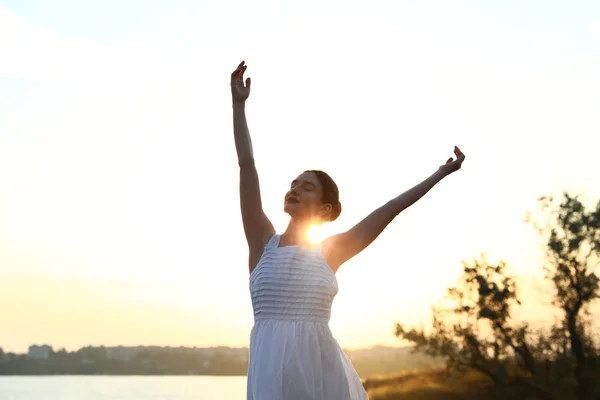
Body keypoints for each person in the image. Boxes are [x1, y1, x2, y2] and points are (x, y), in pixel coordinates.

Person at [231, 61, 466, 400]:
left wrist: (439, 174)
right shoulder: (261, 243)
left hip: (321, 380)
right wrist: (239, 106)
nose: (295, 189)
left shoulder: (332, 251)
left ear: (326, 209)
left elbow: (392, 208)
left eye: (307, 187)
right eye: (293, 183)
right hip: (268, 378)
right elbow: (247, 166)